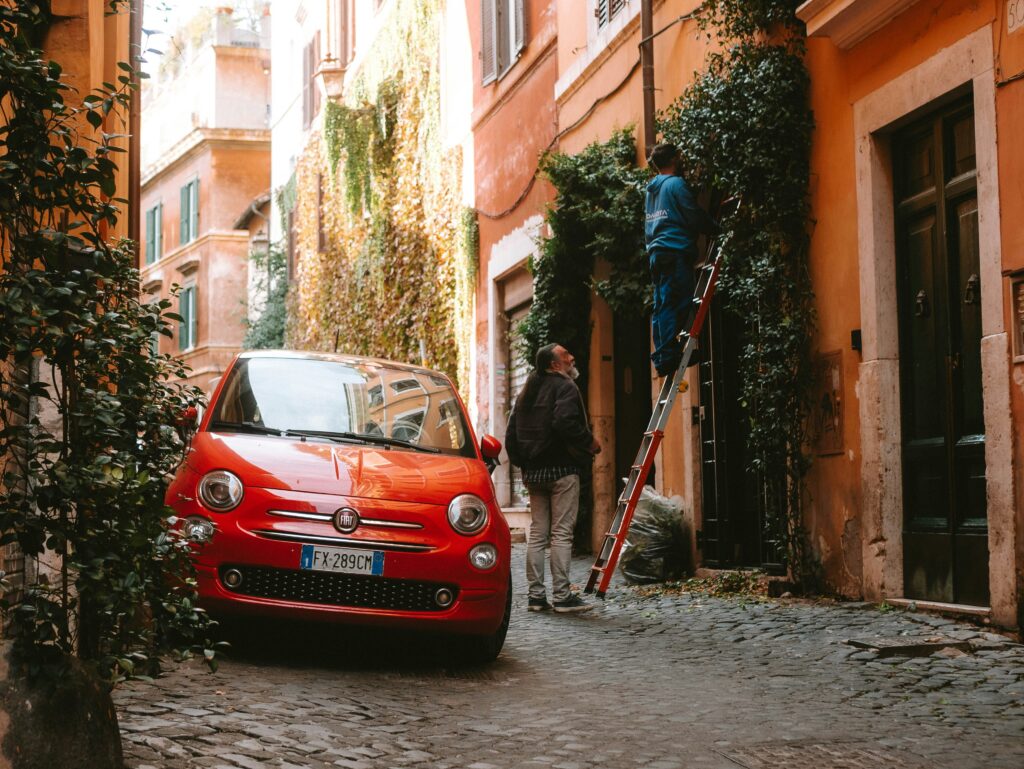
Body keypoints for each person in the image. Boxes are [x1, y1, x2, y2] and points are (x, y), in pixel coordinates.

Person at [505, 343, 600, 613]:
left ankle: (535, 597)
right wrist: (589, 443)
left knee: (537, 534)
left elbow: (511, 433)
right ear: (555, 365)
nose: (572, 357)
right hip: (561, 471)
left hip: (534, 474)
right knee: (561, 534)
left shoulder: (527, 390)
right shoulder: (565, 386)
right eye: (566, 355)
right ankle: (562, 597)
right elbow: (564, 421)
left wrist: (524, 463)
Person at [644, 142, 718, 377]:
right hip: (675, 250)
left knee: (662, 303)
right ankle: (668, 355)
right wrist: (715, 228)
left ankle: (663, 354)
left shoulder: (652, 190)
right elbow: (692, 214)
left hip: (657, 252)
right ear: (674, 159)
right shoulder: (675, 185)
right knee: (677, 301)